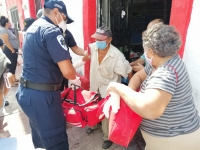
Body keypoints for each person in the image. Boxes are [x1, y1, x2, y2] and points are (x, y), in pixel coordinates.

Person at [106, 24, 200, 150]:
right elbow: (138, 76)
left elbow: (150, 110)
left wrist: (118, 88)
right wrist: (129, 93)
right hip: (170, 136)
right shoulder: (163, 61)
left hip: (172, 139)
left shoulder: (165, 74)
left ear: (150, 51)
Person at [16, 0, 81, 149]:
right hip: (43, 97)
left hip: (27, 93)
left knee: (41, 139)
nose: (64, 22)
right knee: (56, 142)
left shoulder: (33, 27)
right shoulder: (52, 31)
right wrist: (74, 74)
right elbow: (68, 72)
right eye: (64, 19)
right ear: (57, 12)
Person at [86, 26, 132, 149]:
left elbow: (128, 71)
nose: (98, 42)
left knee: (106, 113)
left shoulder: (116, 55)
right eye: (96, 39)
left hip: (108, 89)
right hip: (95, 85)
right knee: (93, 107)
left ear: (109, 39)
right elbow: (84, 53)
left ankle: (107, 137)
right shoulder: (93, 48)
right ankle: (93, 125)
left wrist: (131, 90)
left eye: (101, 40)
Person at [0, 16, 19, 86]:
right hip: (9, 50)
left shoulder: (7, 30)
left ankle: (14, 79)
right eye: (9, 21)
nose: (10, 23)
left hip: (12, 50)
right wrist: (12, 50)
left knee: (13, 65)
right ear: (6, 23)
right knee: (10, 66)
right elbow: (6, 41)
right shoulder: (3, 30)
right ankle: (11, 82)